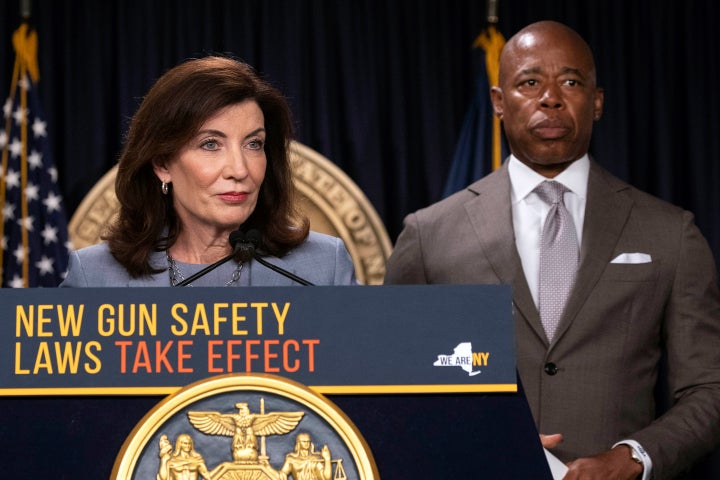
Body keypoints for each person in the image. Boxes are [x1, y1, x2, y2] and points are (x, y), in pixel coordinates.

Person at [384, 20, 720, 480]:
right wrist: (468, 439)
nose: (550, 98)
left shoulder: (670, 233)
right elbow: (390, 388)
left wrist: (633, 457)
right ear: (499, 103)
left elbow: (709, 389)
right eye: (529, 82)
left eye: (570, 81)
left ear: (596, 101)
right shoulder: (428, 233)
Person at [60, 56, 356, 287]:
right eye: (211, 144)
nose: (240, 170)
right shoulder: (95, 276)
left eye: (254, 144)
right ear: (163, 164)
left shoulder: (322, 267)